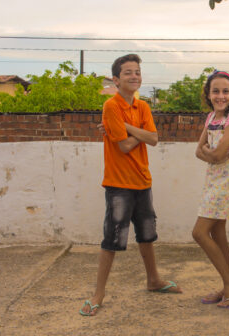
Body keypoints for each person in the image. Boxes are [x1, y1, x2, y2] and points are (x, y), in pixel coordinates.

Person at [80, 54, 181, 317]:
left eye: (137, 71)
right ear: (116, 79)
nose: (134, 76)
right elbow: (125, 146)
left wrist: (126, 126)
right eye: (128, 72)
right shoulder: (110, 106)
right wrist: (141, 133)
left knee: (147, 235)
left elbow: (155, 139)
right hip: (118, 184)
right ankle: (98, 294)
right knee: (112, 239)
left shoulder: (143, 107)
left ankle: (153, 280)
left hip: (142, 181)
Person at [191, 70, 229, 308]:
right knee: (218, 233)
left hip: (227, 180)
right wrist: (210, 155)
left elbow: (218, 153)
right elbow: (199, 150)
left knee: (199, 233)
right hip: (213, 178)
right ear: (209, 94)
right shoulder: (211, 117)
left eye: (225, 91)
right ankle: (227, 286)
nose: (220, 95)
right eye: (216, 91)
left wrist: (210, 154)